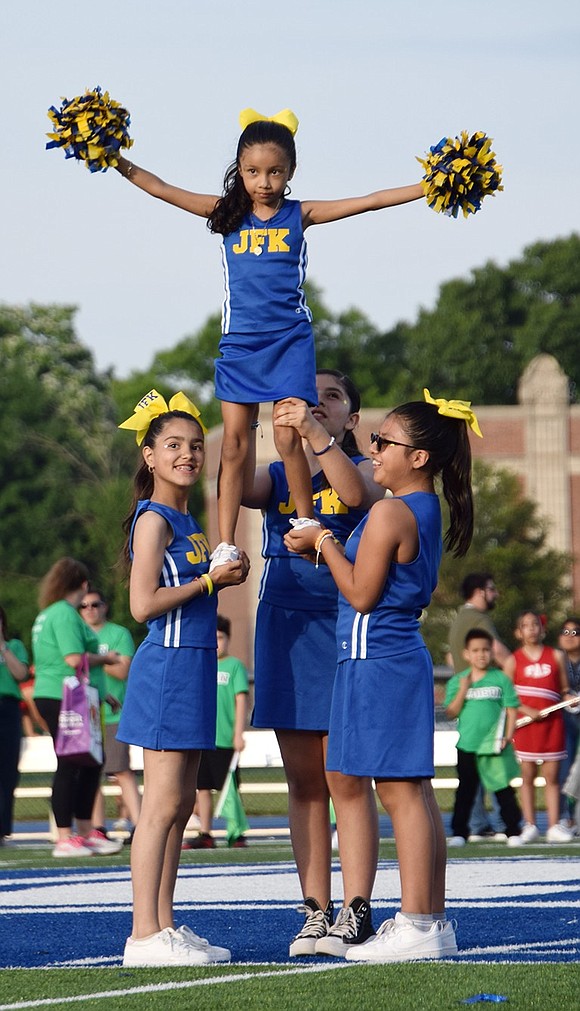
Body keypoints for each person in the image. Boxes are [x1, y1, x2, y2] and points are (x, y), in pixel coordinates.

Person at [114, 111, 424, 569]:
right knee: (235, 444)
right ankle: (224, 542)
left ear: (291, 172)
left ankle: (304, 520)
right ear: (239, 169)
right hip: (240, 345)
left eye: (275, 171)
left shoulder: (301, 214)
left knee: (287, 435)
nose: (264, 181)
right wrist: (116, 160)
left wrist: (429, 185)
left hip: (289, 343)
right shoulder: (226, 214)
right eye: (253, 171)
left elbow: (372, 200)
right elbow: (161, 188)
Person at [284, 388, 481, 962]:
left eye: (383, 443)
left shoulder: (393, 510)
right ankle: (430, 919)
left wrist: (322, 540)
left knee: (399, 792)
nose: (373, 451)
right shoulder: (413, 507)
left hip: (380, 658)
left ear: (418, 458)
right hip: (382, 659)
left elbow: (363, 595)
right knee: (410, 791)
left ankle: (418, 920)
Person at [242, 369, 384, 956]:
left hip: (345, 627)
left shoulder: (370, 469)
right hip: (286, 627)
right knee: (303, 781)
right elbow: (224, 475)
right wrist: (245, 417)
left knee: (345, 777)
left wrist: (315, 437)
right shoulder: (277, 473)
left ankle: (357, 907)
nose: (315, 405)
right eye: (308, 396)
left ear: (352, 417)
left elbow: (355, 496)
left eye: (331, 397)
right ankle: (315, 908)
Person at [116, 389, 249, 967]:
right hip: (168, 666)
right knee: (161, 805)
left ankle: (165, 923)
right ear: (148, 455)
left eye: (195, 445)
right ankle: (144, 933)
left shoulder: (189, 519)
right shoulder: (153, 520)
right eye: (172, 445)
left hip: (193, 667)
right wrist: (211, 583)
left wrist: (226, 572)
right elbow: (142, 605)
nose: (187, 455)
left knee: (179, 807)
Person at [32, 558, 124, 857]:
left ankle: (85, 832)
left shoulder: (49, 613)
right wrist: (107, 659)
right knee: (71, 762)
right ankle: (64, 837)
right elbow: (74, 659)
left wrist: (103, 693)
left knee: (90, 761)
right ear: (83, 585)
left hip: (67, 695)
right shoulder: (65, 615)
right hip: (63, 695)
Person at [445, 628, 539, 848]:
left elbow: (511, 708)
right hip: (468, 744)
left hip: (495, 745)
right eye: (476, 650)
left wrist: (508, 736)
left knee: (502, 789)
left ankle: (512, 830)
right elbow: (452, 711)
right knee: (466, 791)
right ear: (466, 654)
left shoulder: (500, 679)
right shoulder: (458, 681)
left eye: (486, 650)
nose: (481, 654)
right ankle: (460, 832)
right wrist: (463, 689)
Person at [446, 573, 511, 840]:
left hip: (467, 704)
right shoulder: (478, 619)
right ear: (479, 591)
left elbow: (452, 659)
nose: (495, 594)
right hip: (487, 701)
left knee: (470, 771)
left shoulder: (459, 619)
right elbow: (501, 655)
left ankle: (475, 824)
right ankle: (506, 822)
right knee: (496, 765)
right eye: (492, 589)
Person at [505, 610, 575, 843]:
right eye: (526, 625)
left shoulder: (555, 656)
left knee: (552, 776)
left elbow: (563, 688)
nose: (532, 629)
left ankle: (554, 825)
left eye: (535, 624)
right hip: (526, 725)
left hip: (552, 723)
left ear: (542, 629)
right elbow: (508, 696)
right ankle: (530, 824)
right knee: (527, 775)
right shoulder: (513, 660)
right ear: (518, 632)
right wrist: (527, 711)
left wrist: (568, 699)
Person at [183, 613, 250, 849]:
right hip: (204, 738)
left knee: (229, 786)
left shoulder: (234, 667)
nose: (216, 642)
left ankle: (236, 830)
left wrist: (238, 733)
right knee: (202, 786)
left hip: (226, 739)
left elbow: (240, 700)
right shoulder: (202, 665)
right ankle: (205, 831)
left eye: (220, 637)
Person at [79, 588, 140, 839]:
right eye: (84, 606)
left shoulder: (118, 633)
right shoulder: (77, 634)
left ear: (104, 607)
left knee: (121, 770)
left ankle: (139, 824)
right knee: (91, 772)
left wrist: (94, 660)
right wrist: (105, 660)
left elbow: (123, 671)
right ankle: (98, 828)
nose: (90, 610)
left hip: (114, 713)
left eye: (95, 604)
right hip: (85, 713)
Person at [0, 605, 30, 844]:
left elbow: (21, 674)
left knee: (8, 770)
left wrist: (2, 646)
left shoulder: (15, 646)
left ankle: (2, 828)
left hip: (8, 708)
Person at [557, 617, 580, 829]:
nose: (571, 637)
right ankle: (565, 816)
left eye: (576, 632)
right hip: (564, 719)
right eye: (566, 632)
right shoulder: (556, 661)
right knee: (565, 769)